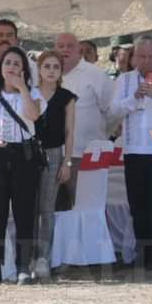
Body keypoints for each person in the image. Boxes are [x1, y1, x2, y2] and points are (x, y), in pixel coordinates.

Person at [0, 46, 43, 286]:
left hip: (24, 155)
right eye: (7, 63)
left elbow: (33, 116)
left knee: (24, 211)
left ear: (23, 68)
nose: (11, 67)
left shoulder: (33, 92)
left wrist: (23, 88)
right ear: (0, 67)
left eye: (16, 63)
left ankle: (23, 266)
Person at [112, 35, 152, 275]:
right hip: (134, 151)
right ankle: (142, 253)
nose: (146, 61)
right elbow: (113, 111)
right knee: (138, 206)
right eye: (142, 56)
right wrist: (134, 98)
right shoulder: (124, 79)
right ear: (133, 57)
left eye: (151, 56)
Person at [32, 50, 77, 281]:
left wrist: (67, 161)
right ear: (39, 69)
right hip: (29, 154)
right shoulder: (29, 93)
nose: (51, 71)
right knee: (27, 206)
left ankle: (43, 258)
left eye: (55, 67)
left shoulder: (66, 97)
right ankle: (26, 256)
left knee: (47, 208)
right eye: (47, 66)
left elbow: (69, 132)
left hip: (53, 153)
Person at [56, 29, 115, 192]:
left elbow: (113, 111)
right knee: (57, 210)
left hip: (86, 155)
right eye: (60, 46)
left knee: (84, 207)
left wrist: (102, 134)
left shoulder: (95, 74)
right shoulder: (48, 74)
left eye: (70, 46)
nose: (64, 50)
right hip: (54, 155)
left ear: (78, 51)